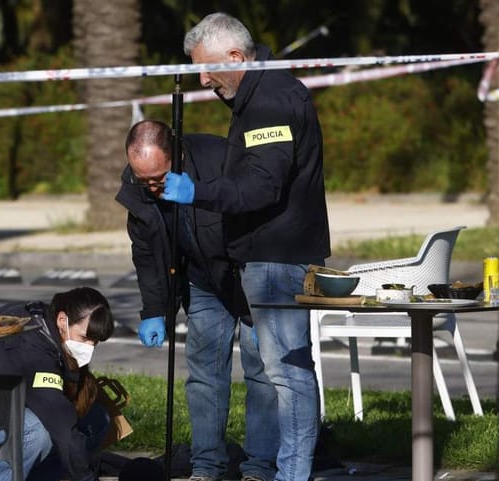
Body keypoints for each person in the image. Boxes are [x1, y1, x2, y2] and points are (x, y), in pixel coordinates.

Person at [168, 12, 332, 481]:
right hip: (272, 252)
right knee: (285, 371)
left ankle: (291, 474)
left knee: (287, 374)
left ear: (237, 57)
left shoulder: (269, 101)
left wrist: (197, 192)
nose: (203, 81)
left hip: (277, 256)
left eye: (207, 69)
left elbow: (262, 185)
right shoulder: (264, 94)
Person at [116, 119, 248, 481]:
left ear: (175, 153)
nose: (152, 187)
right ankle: (206, 466)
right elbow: (146, 254)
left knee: (261, 371)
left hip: (247, 273)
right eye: (143, 179)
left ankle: (261, 466)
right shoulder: (136, 186)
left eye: (159, 178)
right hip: (202, 281)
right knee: (205, 375)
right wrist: (154, 311)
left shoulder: (219, 157)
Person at [0, 286, 116, 481]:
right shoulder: (35, 353)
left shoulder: (36, 317)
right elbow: (61, 423)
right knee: (36, 431)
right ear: (62, 320)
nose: (89, 348)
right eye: (84, 338)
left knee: (96, 419)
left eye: (95, 342)